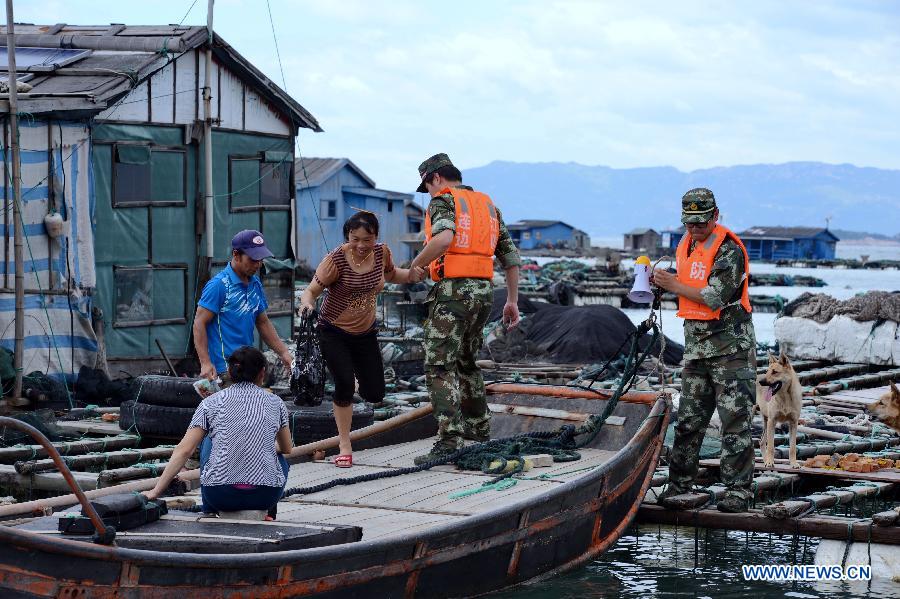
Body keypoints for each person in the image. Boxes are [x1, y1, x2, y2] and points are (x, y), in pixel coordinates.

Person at [408, 153, 521, 465]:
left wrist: (416, 264)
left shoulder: (443, 201)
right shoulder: (489, 207)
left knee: (439, 365)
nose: (429, 193)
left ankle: (448, 440)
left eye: (427, 186)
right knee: (467, 362)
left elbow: (444, 239)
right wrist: (511, 301)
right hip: (484, 294)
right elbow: (511, 259)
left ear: (435, 179)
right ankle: (478, 431)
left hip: (453, 292)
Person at [652, 188, 757, 513]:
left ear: (715, 215)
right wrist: (660, 284)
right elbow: (689, 291)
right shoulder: (687, 246)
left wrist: (673, 285)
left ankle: (738, 491)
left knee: (734, 422)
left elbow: (714, 296)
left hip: (730, 351)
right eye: (690, 223)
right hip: (697, 351)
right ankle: (679, 485)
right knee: (688, 423)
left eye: (701, 222)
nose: (695, 228)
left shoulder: (728, 250)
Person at [298, 211, 424, 468]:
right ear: (348, 236)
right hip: (333, 330)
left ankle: (354, 379)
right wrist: (307, 305)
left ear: (376, 236)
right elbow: (310, 291)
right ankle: (345, 444)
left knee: (375, 392)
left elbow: (391, 275)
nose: (361, 244)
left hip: (365, 333)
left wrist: (410, 275)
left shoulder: (381, 254)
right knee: (344, 384)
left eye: (367, 239)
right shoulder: (335, 260)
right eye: (355, 238)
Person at [144, 346, 293, 516]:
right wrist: (261, 444)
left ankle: (209, 511)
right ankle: (270, 514)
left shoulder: (211, 402)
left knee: (209, 439)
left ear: (229, 372)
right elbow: (287, 448)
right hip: (265, 496)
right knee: (279, 458)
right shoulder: (276, 403)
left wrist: (155, 492)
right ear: (262, 373)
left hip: (221, 495)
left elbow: (185, 450)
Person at [193, 230, 293, 390]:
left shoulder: (255, 284)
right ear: (236, 255)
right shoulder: (219, 285)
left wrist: (283, 353)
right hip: (225, 370)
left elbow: (263, 322)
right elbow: (199, 323)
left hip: (248, 368)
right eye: (253, 259)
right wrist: (205, 362)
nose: (258, 264)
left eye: (260, 260)